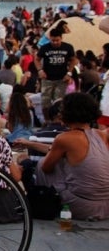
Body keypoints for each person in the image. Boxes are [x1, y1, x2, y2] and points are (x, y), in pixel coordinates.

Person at [33, 92, 109, 220]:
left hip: (83, 207)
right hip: (106, 205)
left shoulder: (64, 139)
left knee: (41, 165)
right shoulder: (101, 135)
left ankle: (43, 202)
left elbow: (46, 168)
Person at [35, 27, 77, 122]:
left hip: (61, 79)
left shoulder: (68, 47)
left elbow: (74, 60)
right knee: (45, 102)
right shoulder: (45, 48)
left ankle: (58, 121)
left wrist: (69, 73)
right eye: (53, 40)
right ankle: (47, 121)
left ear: (61, 38)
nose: (55, 42)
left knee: (59, 102)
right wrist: (40, 70)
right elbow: (37, 59)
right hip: (47, 78)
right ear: (50, 39)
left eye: (57, 40)